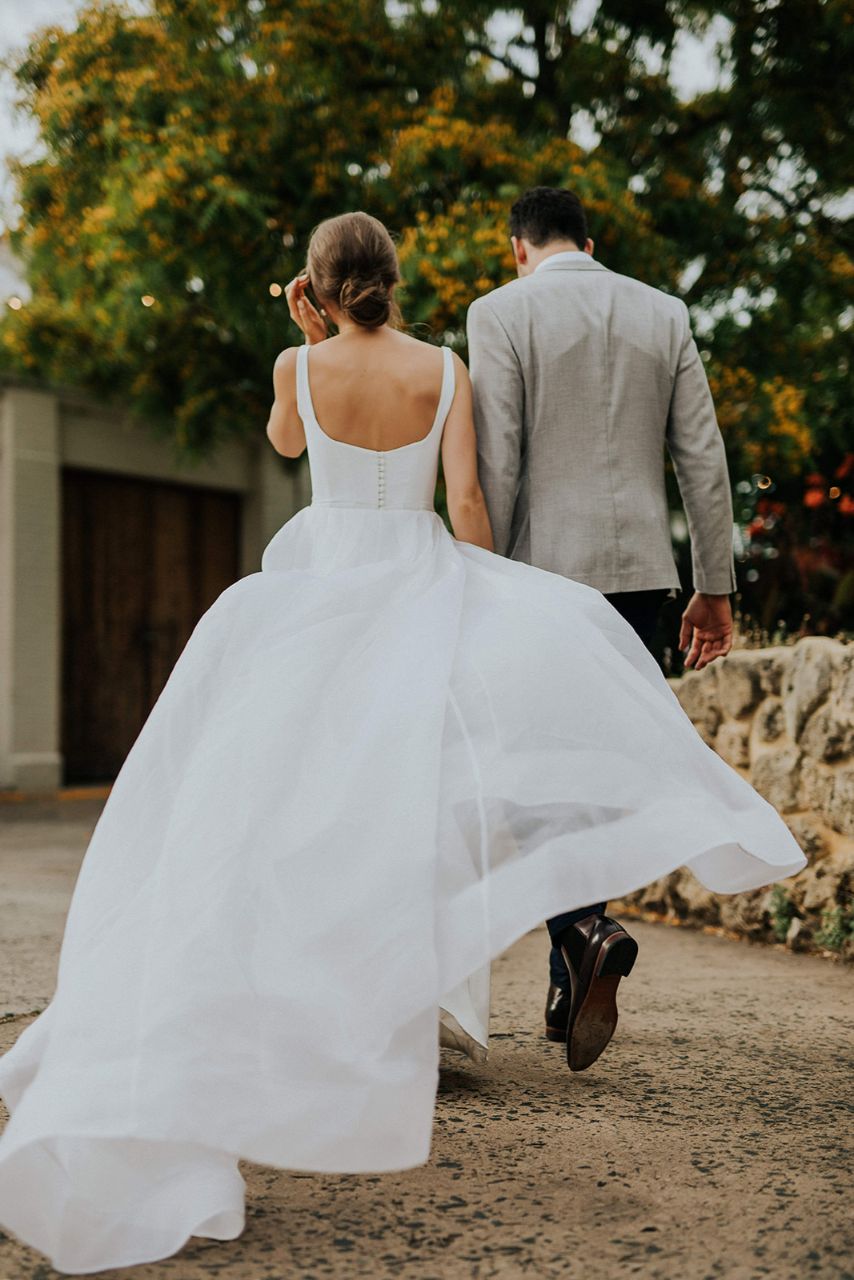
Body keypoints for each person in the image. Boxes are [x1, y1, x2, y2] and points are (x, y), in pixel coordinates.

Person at [0, 212, 805, 1275]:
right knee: (403, 793)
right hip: (417, 581)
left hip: (319, 587)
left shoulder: (298, 359)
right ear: (395, 280)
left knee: (294, 797)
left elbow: (288, 443)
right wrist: (488, 592)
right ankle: (406, 982)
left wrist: (299, 333)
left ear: (319, 287)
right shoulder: (445, 366)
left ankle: (307, 994)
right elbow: (466, 498)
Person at [467, 186, 738, 1068]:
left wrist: (487, 574)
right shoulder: (662, 312)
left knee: (530, 773)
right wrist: (714, 586)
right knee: (600, 769)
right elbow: (703, 456)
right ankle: (566, 975)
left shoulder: (498, 313)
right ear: (593, 241)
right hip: (642, 583)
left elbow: (498, 458)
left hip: (541, 574)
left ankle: (583, 928)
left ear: (519, 247)